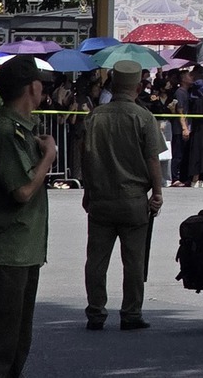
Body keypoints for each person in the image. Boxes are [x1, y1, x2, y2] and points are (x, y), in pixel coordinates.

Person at [0, 55, 57, 378]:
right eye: (39, 83)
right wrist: (48, 157)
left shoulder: (21, 131)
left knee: (17, 343)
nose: (42, 90)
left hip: (23, 251)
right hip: (8, 251)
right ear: (30, 88)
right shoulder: (6, 133)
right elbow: (22, 191)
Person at [77, 60, 166, 332]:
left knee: (96, 260)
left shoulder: (95, 116)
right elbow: (153, 159)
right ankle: (131, 313)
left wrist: (88, 191)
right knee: (134, 260)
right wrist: (158, 192)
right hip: (133, 198)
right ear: (138, 87)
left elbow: (86, 156)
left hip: (101, 198)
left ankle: (95, 312)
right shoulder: (143, 117)